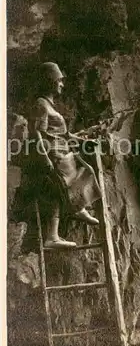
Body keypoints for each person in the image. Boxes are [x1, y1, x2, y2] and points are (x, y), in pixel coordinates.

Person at [14, 62, 101, 250]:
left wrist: (82, 141)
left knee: (87, 169)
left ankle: (78, 207)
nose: (62, 84)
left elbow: (64, 134)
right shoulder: (40, 104)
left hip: (61, 151)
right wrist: (45, 158)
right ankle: (52, 236)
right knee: (60, 183)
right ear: (49, 81)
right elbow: (36, 132)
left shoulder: (50, 105)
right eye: (59, 80)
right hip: (51, 154)